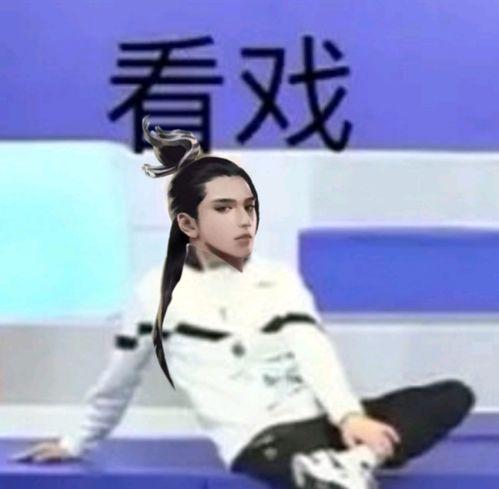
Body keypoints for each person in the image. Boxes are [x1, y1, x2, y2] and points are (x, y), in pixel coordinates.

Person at [17, 119, 475, 489]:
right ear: (188, 223)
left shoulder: (278, 279)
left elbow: (313, 352)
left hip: (322, 421)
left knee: (451, 396)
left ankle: (352, 461)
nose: (241, 221)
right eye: (224, 209)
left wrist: (350, 417)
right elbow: (117, 383)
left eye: (247, 207)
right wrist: (75, 443)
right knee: (296, 462)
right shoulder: (153, 294)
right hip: (260, 441)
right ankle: (339, 467)